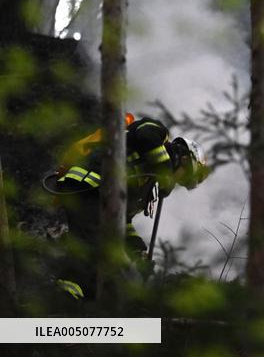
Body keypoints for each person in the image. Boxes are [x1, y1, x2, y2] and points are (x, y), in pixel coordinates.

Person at [48, 114, 209, 300]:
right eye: (183, 176)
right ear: (183, 157)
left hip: (99, 197)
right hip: (88, 184)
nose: (178, 180)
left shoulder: (147, 185)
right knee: (92, 244)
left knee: (105, 260)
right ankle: (64, 293)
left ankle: (82, 300)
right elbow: (143, 133)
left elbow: (122, 218)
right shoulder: (159, 133)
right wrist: (164, 170)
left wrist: (136, 248)